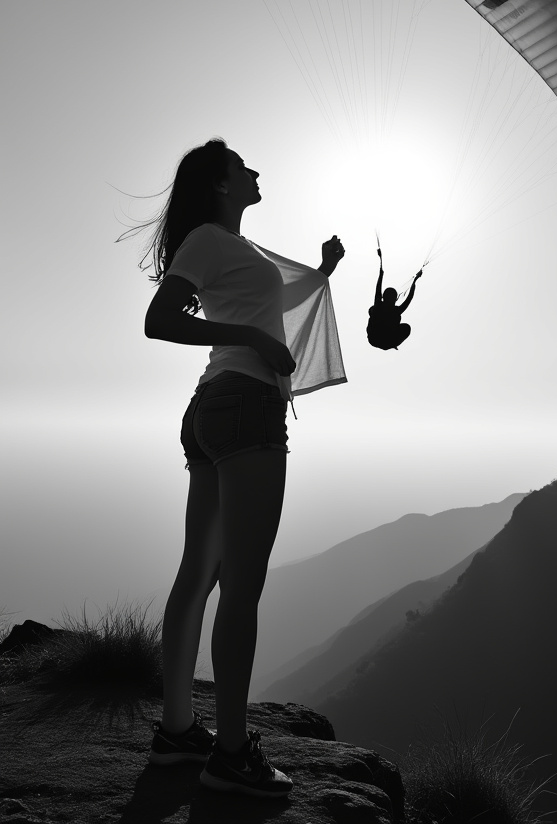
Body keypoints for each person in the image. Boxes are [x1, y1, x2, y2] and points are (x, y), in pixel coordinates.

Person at [130, 138, 345, 797]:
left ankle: (177, 734)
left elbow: (272, 301)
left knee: (200, 573)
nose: (256, 172)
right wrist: (250, 338)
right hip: (245, 411)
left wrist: (323, 269)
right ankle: (229, 754)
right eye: (244, 167)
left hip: (215, 412)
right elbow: (158, 321)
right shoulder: (205, 240)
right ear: (222, 186)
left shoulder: (238, 251)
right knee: (240, 588)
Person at [367, 246, 422, 350]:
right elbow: (409, 298)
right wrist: (415, 281)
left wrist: (381, 271)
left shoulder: (379, 305)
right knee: (406, 328)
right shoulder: (393, 309)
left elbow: (378, 289)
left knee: (372, 310)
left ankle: (393, 342)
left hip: (376, 339)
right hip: (383, 339)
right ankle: (393, 343)